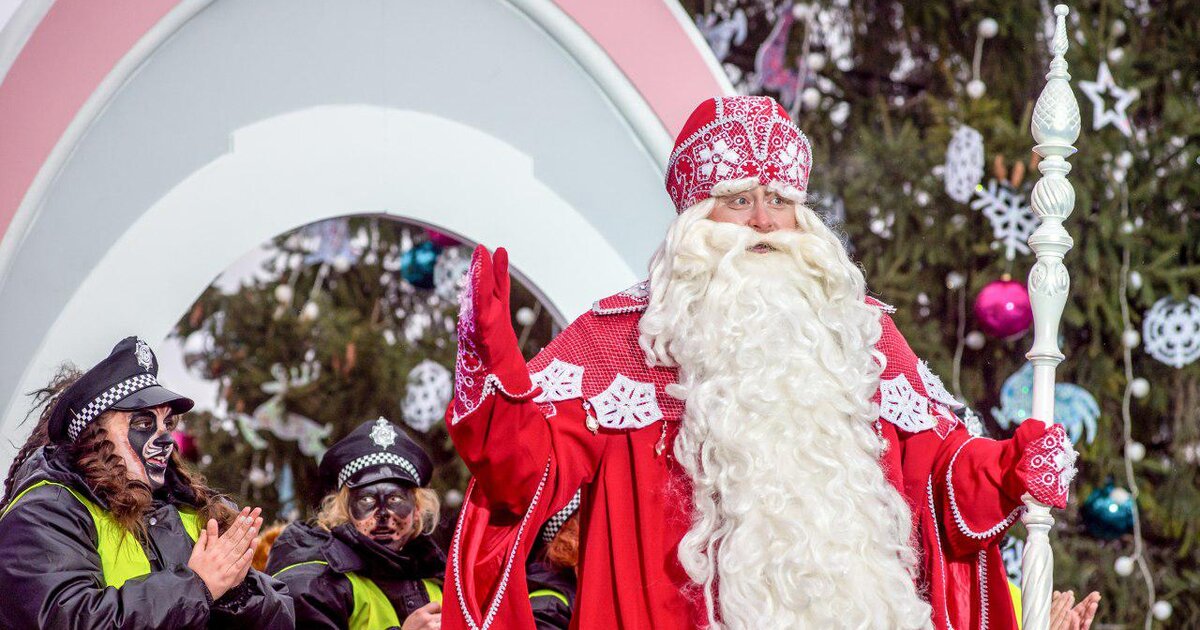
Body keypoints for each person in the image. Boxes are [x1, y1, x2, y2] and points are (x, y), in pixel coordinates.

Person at [442, 95, 1084, 629]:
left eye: (778, 201)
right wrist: (493, 375)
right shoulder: (619, 338)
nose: (763, 223)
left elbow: (938, 466)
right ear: (696, 216)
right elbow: (524, 476)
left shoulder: (857, 329)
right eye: (739, 199)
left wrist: (1010, 467)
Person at [0, 336, 294, 629]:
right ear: (94, 435)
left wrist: (237, 593)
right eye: (143, 424)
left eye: (168, 424)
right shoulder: (44, 512)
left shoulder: (189, 510)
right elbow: (64, 620)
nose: (165, 438)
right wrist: (196, 586)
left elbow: (282, 618)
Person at [266, 417, 445, 629]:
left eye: (395, 499)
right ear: (344, 509)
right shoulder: (314, 579)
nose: (383, 515)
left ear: (417, 509)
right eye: (366, 500)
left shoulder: (440, 578)